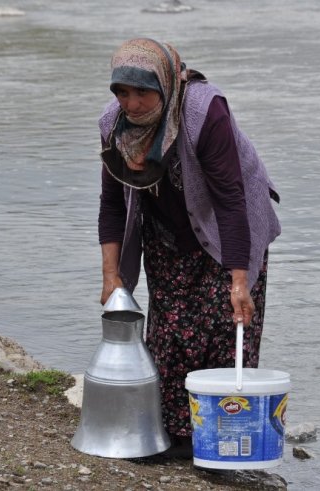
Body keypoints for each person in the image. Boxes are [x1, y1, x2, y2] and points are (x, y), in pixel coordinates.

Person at [97, 38, 280, 457]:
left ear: (165, 84)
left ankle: (225, 443)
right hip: (166, 232)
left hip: (230, 227)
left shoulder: (204, 110)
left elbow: (231, 198)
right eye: (123, 92)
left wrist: (239, 278)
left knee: (225, 329)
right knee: (171, 333)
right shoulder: (113, 124)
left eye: (143, 92)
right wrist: (112, 276)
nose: (133, 103)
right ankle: (177, 438)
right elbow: (110, 204)